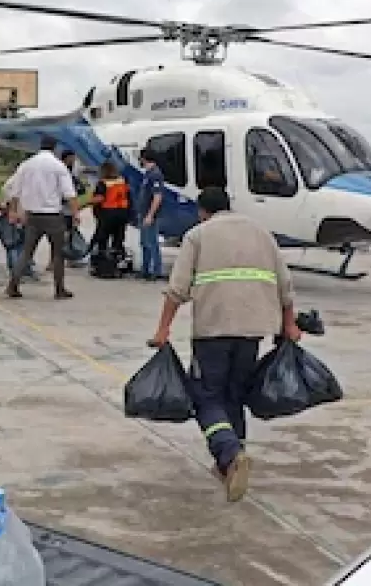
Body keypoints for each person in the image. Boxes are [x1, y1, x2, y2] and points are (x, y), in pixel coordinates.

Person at [149, 186, 302, 503]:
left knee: (205, 397)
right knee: (234, 394)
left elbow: (177, 289)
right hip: (253, 330)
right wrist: (289, 324)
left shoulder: (198, 235)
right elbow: (285, 285)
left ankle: (229, 452)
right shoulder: (261, 233)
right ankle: (231, 461)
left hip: (213, 329)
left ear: (203, 211)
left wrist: (163, 330)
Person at [5, 136, 79, 299]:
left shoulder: (26, 165)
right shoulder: (58, 166)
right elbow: (69, 193)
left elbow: (14, 191)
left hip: (32, 215)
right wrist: (75, 213)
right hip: (53, 215)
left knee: (26, 252)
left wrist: (13, 211)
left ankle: (13, 285)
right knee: (58, 253)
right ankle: (59, 289)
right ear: (54, 148)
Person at [2, 169, 38, 281]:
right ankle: (15, 270)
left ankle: (24, 268)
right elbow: (9, 199)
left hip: (25, 216)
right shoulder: (14, 182)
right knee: (15, 244)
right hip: (17, 216)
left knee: (25, 244)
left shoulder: (27, 182)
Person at [88, 162, 131, 257]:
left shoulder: (103, 183)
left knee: (102, 237)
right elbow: (128, 196)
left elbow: (100, 198)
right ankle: (117, 256)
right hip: (123, 213)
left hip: (108, 214)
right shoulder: (123, 181)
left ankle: (101, 257)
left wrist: (87, 202)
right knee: (118, 237)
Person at [137, 147, 165, 281]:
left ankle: (156, 270)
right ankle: (146, 269)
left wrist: (150, 215)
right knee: (145, 243)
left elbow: (157, 197)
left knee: (152, 243)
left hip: (149, 214)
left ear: (144, 158)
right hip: (144, 213)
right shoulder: (148, 174)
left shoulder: (155, 175)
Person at [57, 150, 88, 269]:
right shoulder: (61, 172)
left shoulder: (70, 173)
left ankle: (69, 258)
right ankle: (57, 260)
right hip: (62, 208)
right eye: (72, 158)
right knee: (62, 235)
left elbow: (81, 189)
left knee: (68, 234)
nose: (73, 161)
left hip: (68, 208)